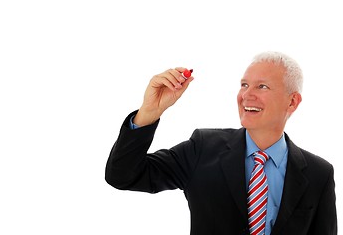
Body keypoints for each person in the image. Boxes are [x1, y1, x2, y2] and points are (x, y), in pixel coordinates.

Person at [105, 51, 337, 235]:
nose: (247, 95)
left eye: (262, 86)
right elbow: (123, 175)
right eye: (244, 85)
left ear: (292, 102)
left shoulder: (319, 174)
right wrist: (149, 112)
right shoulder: (202, 148)